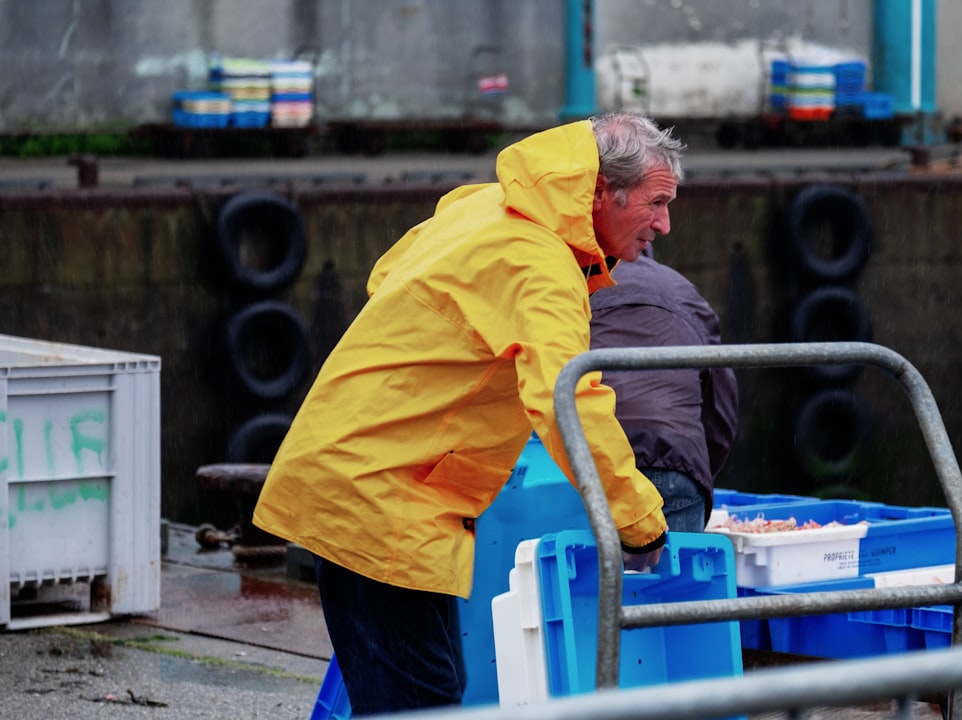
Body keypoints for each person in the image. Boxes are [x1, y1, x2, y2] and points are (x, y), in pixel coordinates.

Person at [252, 112, 686, 715]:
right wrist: (639, 520)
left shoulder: (485, 206)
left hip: (372, 477)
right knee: (421, 702)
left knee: (426, 690)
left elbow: (388, 276)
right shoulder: (541, 266)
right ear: (598, 192)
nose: (664, 224)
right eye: (656, 202)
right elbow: (569, 401)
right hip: (382, 495)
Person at [589, 250, 739, 532]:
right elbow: (721, 405)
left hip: (591, 461)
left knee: (573, 574)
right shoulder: (679, 287)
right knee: (676, 576)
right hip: (675, 463)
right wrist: (696, 467)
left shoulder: (568, 282)